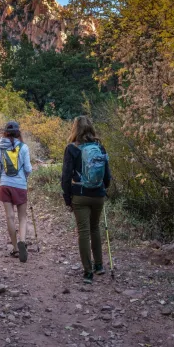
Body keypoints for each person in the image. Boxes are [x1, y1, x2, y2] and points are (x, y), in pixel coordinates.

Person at [61, 116, 111, 284]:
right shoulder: (100, 148)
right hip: (98, 195)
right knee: (95, 228)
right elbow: (107, 176)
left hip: (80, 196)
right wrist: (103, 189)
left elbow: (66, 177)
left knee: (84, 232)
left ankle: (88, 272)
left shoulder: (71, 149)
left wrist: (68, 199)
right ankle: (99, 266)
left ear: (75, 129)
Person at [0, 121, 32, 263]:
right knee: (22, 217)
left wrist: (2, 179)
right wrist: (23, 178)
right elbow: (28, 169)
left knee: (9, 217)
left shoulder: (0, 146)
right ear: (18, 132)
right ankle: (22, 241)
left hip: (5, 184)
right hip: (20, 184)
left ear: (5, 132)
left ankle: (15, 248)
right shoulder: (24, 147)